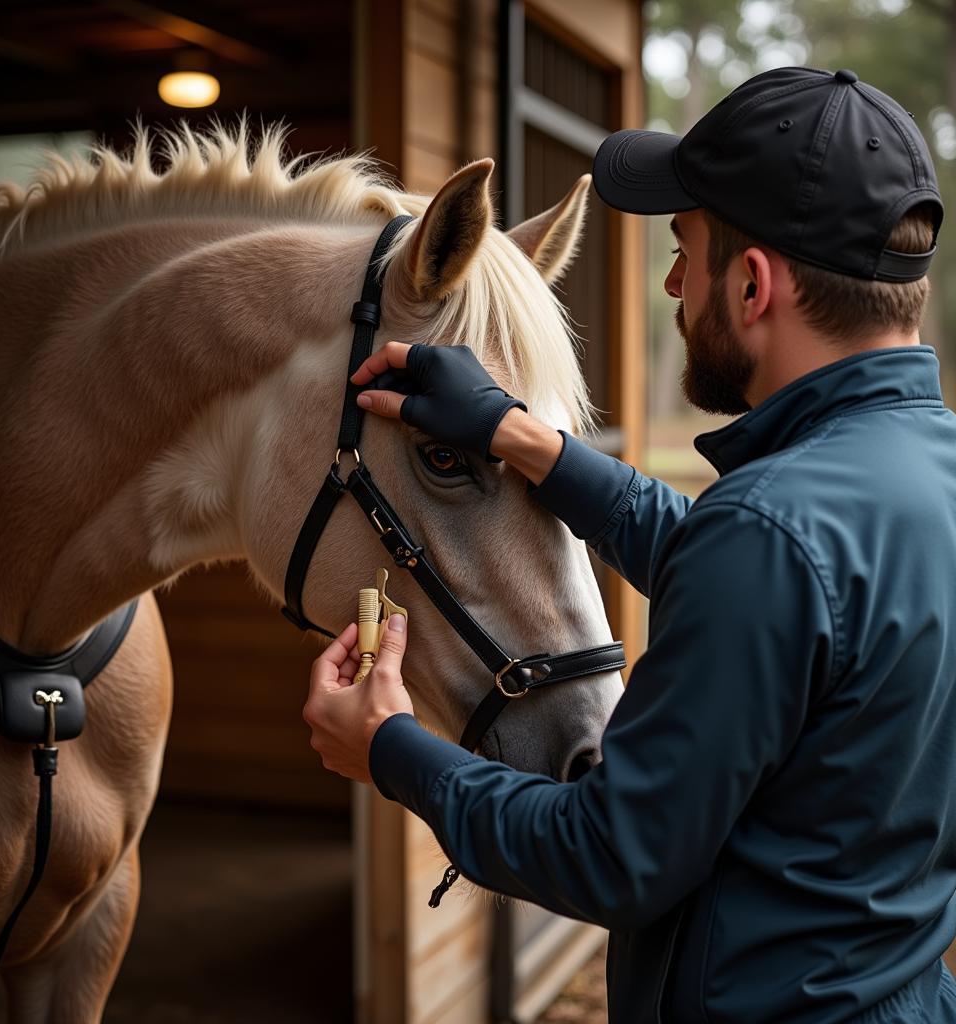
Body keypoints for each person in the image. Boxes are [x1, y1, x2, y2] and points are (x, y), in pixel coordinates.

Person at [302, 66, 956, 1023]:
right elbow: (781, 588)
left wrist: (390, 748)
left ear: (754, 281)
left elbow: (611, 858)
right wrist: (520, 437)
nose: (674, 282)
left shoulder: (771, 531)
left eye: (686, 251)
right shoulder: (913, 476)